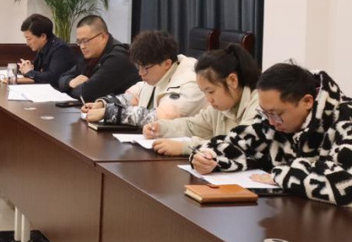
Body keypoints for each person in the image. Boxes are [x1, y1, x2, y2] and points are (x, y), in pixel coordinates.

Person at [190, 62, 352, 206]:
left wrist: (281, 175)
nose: (272, 122)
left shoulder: (345, 120)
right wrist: (207, 157)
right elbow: (239, 144)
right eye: (265, 113)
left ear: (307, 101)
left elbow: (346, 184)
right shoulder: (271, 121)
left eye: (276, 114)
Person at [143, 44, 260, 156]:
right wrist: (161, 127)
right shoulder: (222, 106)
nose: (208, 100)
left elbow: (238, 144)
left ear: (232, 81)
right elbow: (192, 126)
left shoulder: (259, 104)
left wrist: (185, 147)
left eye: (211, 91)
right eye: (204, 92)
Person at [84, 30, 205, 128]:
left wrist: (109, 113)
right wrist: (103, 104)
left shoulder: (191, 81)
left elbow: (160, 117)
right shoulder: (158, 73)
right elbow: (132, 97)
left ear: (167, 64)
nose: (140, 73)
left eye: (145, 68)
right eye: (139, 67)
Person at [58, 15, 138, 101]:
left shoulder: (117, 58)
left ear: (103, 37)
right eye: (79, 41)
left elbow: (87, 93)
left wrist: (69, 88)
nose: (82, 46)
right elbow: (62, 78)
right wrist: (70, 83)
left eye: (86, 41)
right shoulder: (91, 55)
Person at [15, 14, 77, 89]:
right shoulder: (43, 47)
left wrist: (29, 72)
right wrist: (27, 66)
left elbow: (52, 78)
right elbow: (38, 71)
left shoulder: (61, 49)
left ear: (43, 36)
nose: (27, 43)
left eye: (29, 39)